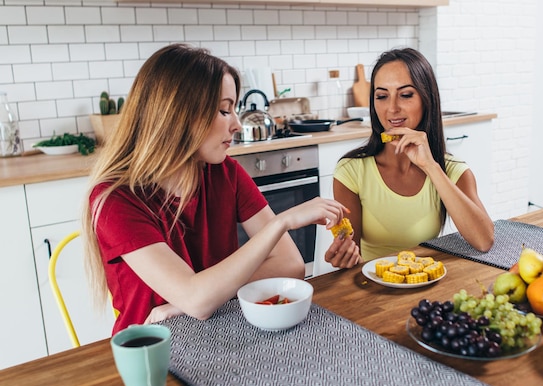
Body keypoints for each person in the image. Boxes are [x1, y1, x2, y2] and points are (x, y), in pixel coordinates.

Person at [82, 44, 348, 334]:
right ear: (178, 114)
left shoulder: (224, 173)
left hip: (221, 330)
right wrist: (283, 221)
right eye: (224, 110)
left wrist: (189, 302)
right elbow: (197, 298)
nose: (236, 123)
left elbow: (290, 264)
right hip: (149, 348)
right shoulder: (115, 200)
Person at [325, 48, 494, 269]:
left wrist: (431, 166)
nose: (392, 108)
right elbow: (350, 256)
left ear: (427, 98)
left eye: (405, 95)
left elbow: (484, 241)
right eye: (382, 96)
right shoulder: (351, 171)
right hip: (373, 288)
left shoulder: (453, 170)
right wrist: (345, 256)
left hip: (428, 284)